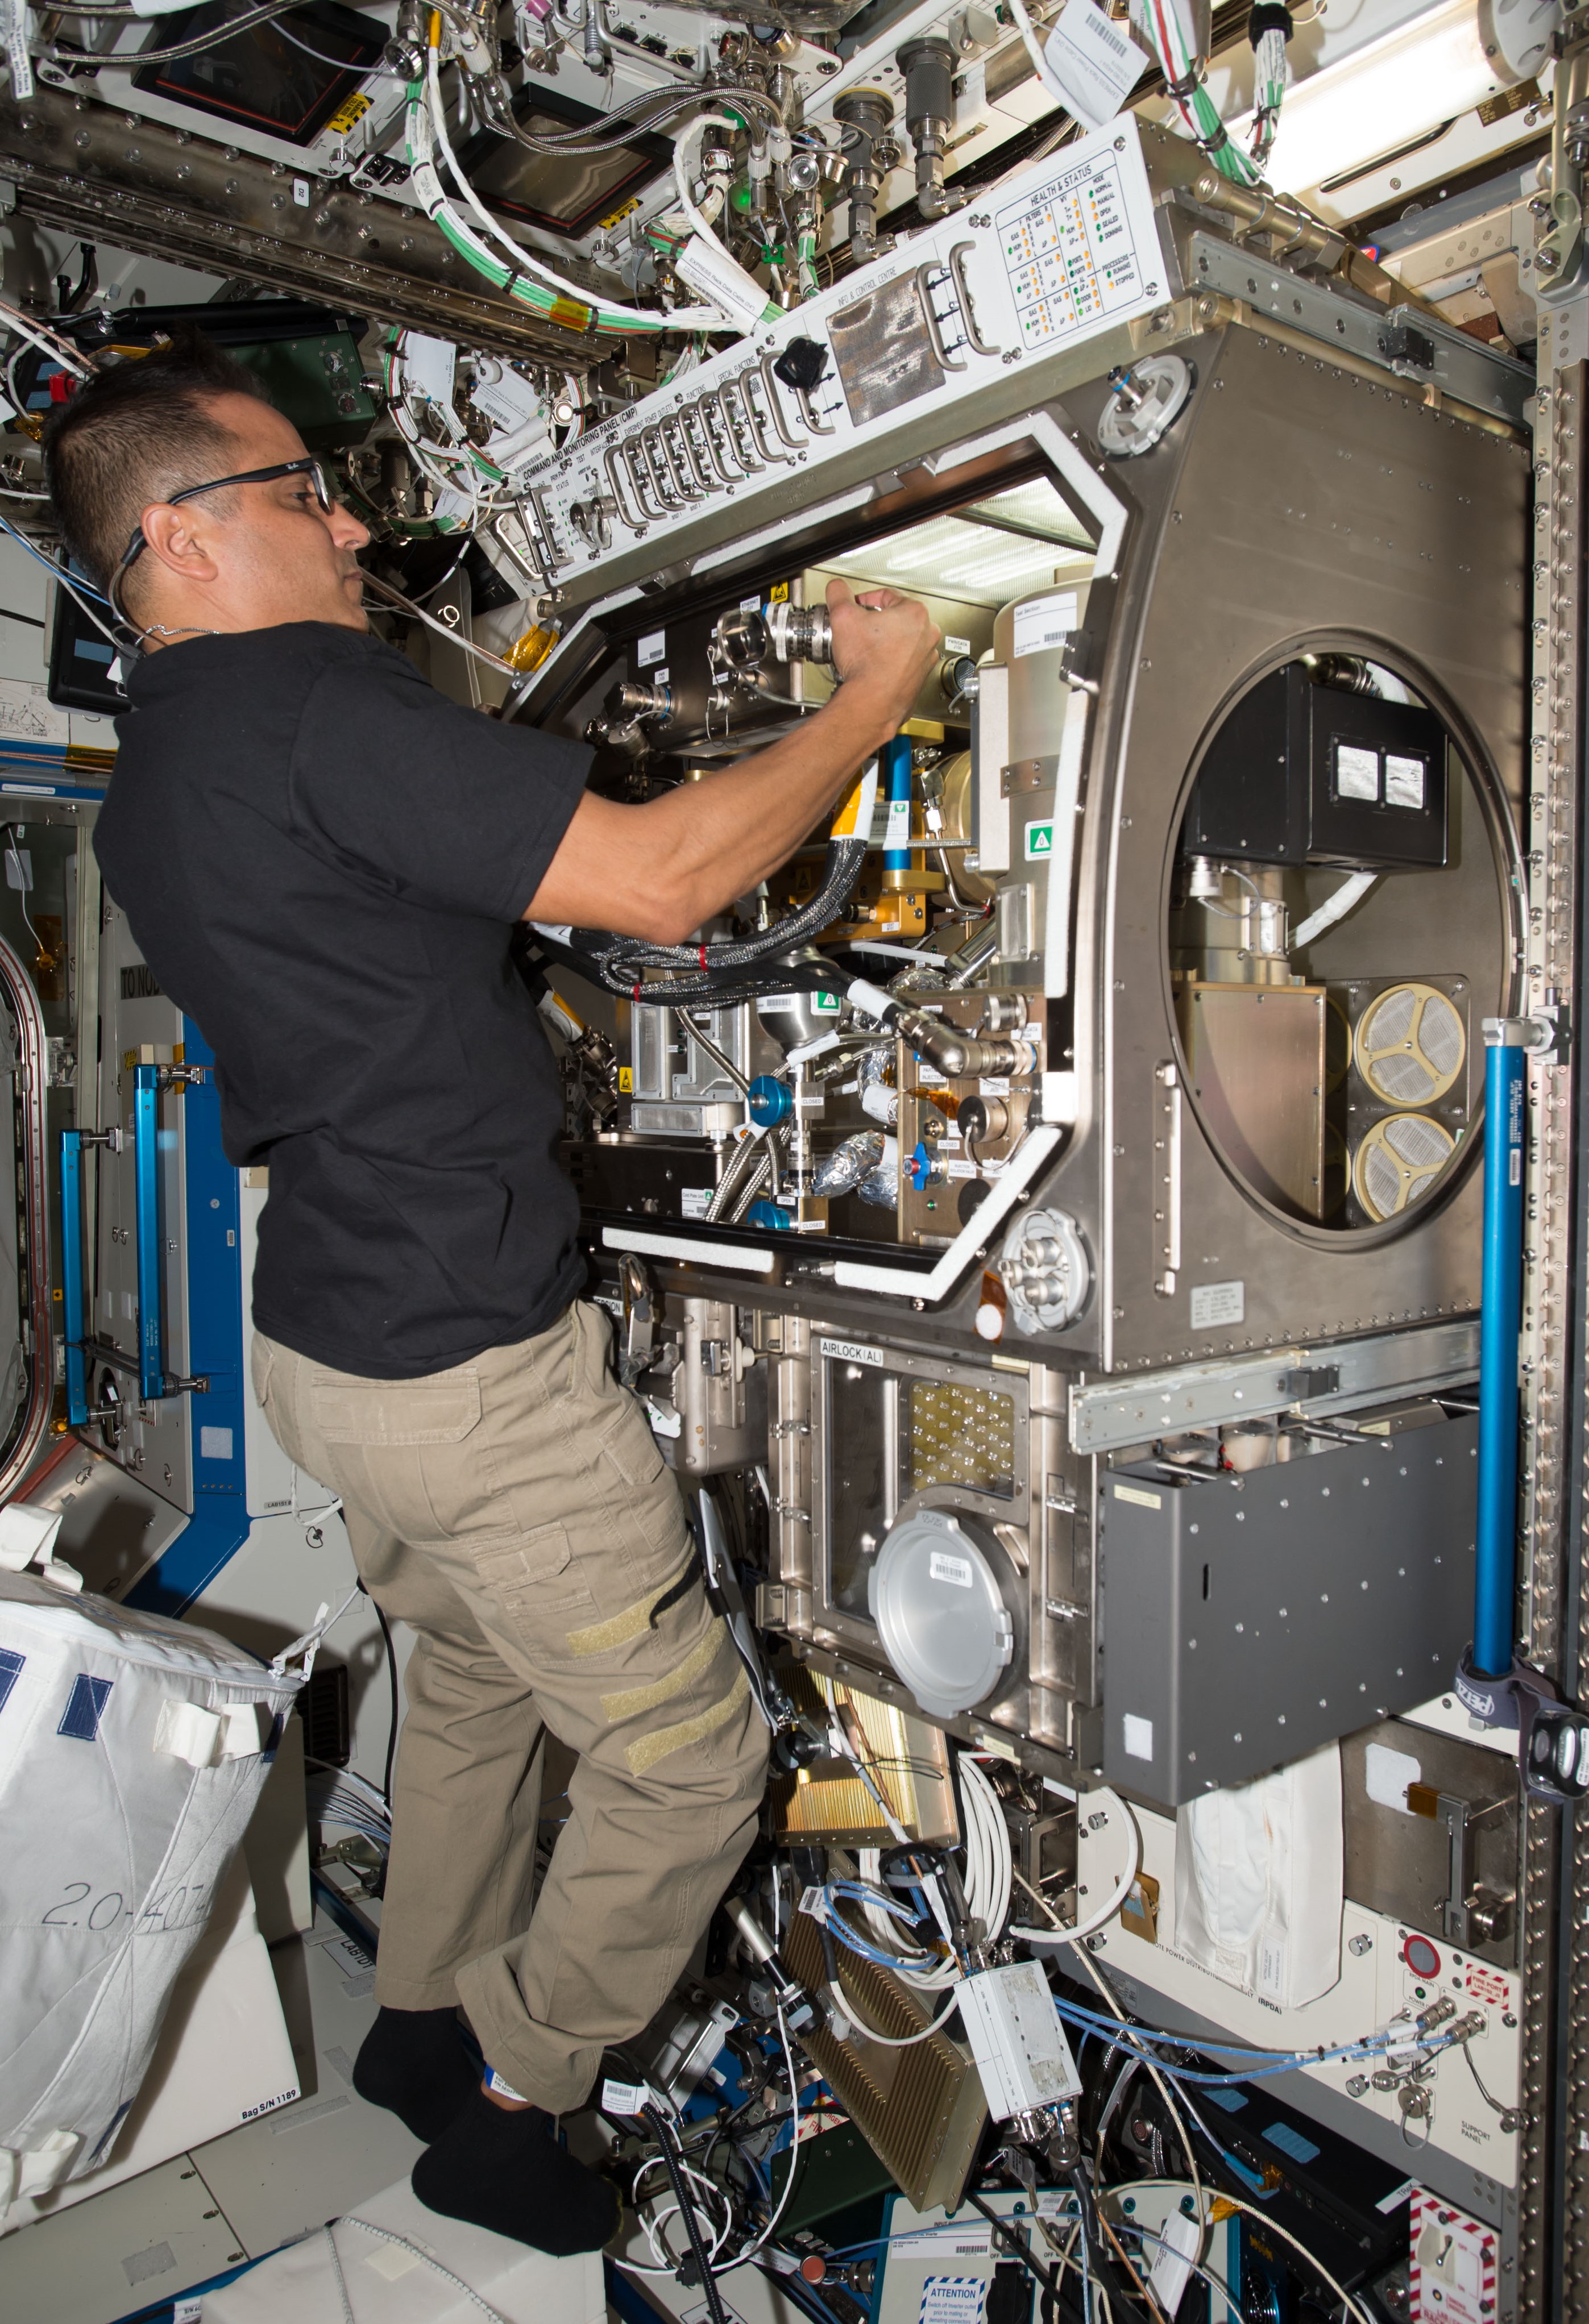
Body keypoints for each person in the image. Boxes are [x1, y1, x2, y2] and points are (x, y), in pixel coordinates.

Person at [43, 331, 939, 2256]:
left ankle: (424, 2020)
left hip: (333, 1344)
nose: (349, 520)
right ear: (181, 538)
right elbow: (667, 881)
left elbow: (392, 953)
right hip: (468, 1360)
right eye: (303, 490)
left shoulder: (160, 773)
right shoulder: (310, 703)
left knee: (466, 1678)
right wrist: (874, 695)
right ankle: (524, 2094)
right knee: (689, 1753)